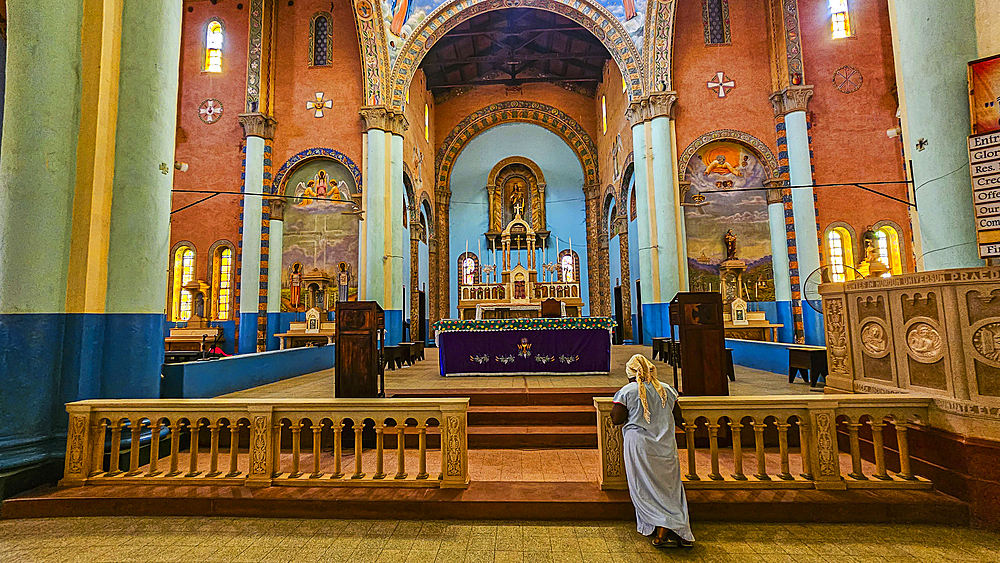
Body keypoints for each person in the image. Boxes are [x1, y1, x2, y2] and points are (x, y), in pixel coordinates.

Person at [611, 354, 695, 548]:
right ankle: (680, 529)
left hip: (640, 446)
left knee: (646, 487)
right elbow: (678, 416)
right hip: (665, 445)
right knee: (670, 488)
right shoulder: (666, 390)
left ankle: (662, 528)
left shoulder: (627, 392)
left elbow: (616, 419)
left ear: (630, 373)